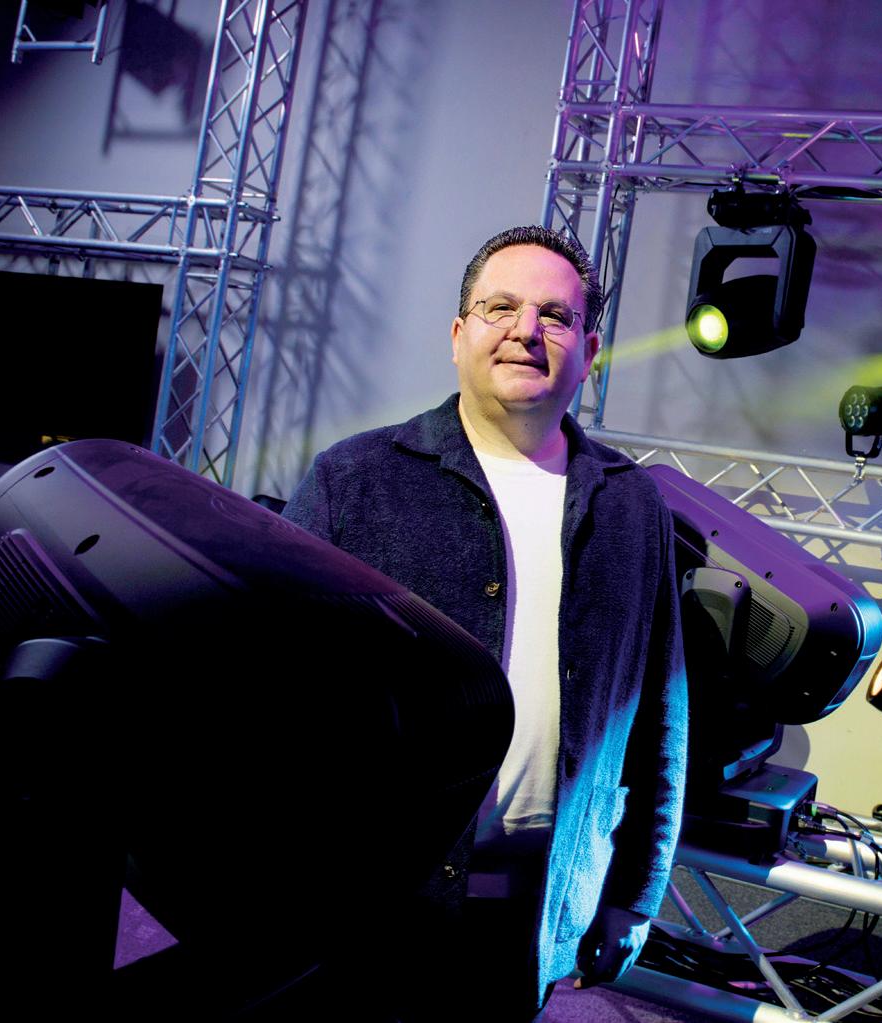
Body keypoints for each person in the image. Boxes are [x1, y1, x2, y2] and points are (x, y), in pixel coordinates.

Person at [282, 225, 687, 1019]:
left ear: (589, 350)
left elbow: (659, 715)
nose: (524, 330)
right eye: (499, 307)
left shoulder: (632, 504)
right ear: (458, 334)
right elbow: (277, 693)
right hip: (370, 888)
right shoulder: (352, 480)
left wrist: (634, 896)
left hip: (540, 888)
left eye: (554, 315)